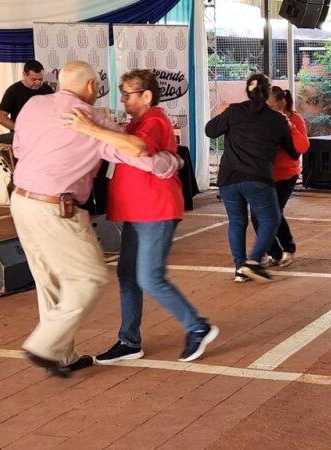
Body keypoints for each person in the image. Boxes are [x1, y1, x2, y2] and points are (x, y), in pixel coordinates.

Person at [10, 61, 181, 377]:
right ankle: (44, 346)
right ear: (91, 87)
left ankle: (62, 355)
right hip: (57, 208)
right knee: (90, 278)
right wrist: (171, 162)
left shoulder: (33, 104)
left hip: (21, 201)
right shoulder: (95, 120)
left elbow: (19, 148)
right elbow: (137, 154)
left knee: (49, 280)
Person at [63, 69, 218, 364]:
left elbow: (137, 150)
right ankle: (129, 340)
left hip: (155, 210)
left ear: (147, 96)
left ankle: (197, 326)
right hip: (138, 210)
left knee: (149, 277)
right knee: (128, 274)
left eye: (128, 95)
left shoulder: (154, 121)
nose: (123, 100)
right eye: (121, 94)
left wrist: (91, 129)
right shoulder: (136, 123)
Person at [206, 74, 298, 283]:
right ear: (267, 94)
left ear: (247, 91)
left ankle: (240, 268)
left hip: (229, 176)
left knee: (237, 222)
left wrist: (223, 116)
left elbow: (210, 131)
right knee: (271, 219)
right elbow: (292, 152)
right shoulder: (277, 119)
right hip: (257, 177)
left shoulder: (235, 111)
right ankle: (253, 261)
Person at [250, 86, 310, 269]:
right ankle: (273, 252)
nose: (266, 108)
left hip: (286, 174)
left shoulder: (294, 119)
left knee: (274, 213)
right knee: (256, 215)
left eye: (270, 104)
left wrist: (290, 127)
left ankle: (288, 248)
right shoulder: (264, 119)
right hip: (264, 174)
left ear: (280, 103)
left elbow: (303, 147)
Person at [0, 60, 54, 145]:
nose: (38, 83)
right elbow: (0, 117)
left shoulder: (47, 89)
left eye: (40, 79)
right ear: (24, 75)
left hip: (44, 137)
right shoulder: (13, 91)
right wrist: (20, 128)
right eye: (33, 79)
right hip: (22, 139)